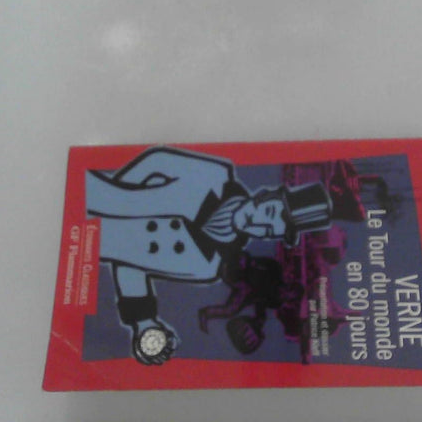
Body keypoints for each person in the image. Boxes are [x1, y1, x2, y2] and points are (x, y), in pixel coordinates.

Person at [85, 146, 331, 365]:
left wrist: (143, 323)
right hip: (85, 193)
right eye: (267, 212)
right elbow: (157, 160)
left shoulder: (207, 266)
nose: (256, 224)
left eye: (267, 231)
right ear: (266, 195)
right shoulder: (215, 175)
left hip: (85, 247)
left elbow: (132, 262)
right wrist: (117, 197)